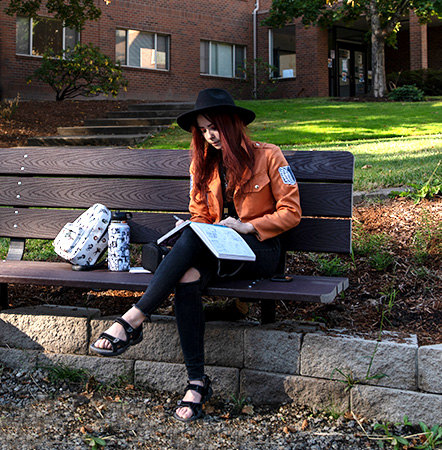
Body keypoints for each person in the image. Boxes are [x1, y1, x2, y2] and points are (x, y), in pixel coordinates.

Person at [90, 88, 302, 422]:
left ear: (231, 123)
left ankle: (133, 319)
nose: (209, 135)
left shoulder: (269, 156)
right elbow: (200, 214)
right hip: (219, 249)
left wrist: (247, 227)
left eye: (214, 127)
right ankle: (196, 382)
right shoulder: (202, 164)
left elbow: (291, 213)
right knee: (187, 274)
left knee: (190, 245)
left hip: (261, 250)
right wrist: (204, 228)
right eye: (203, 130)